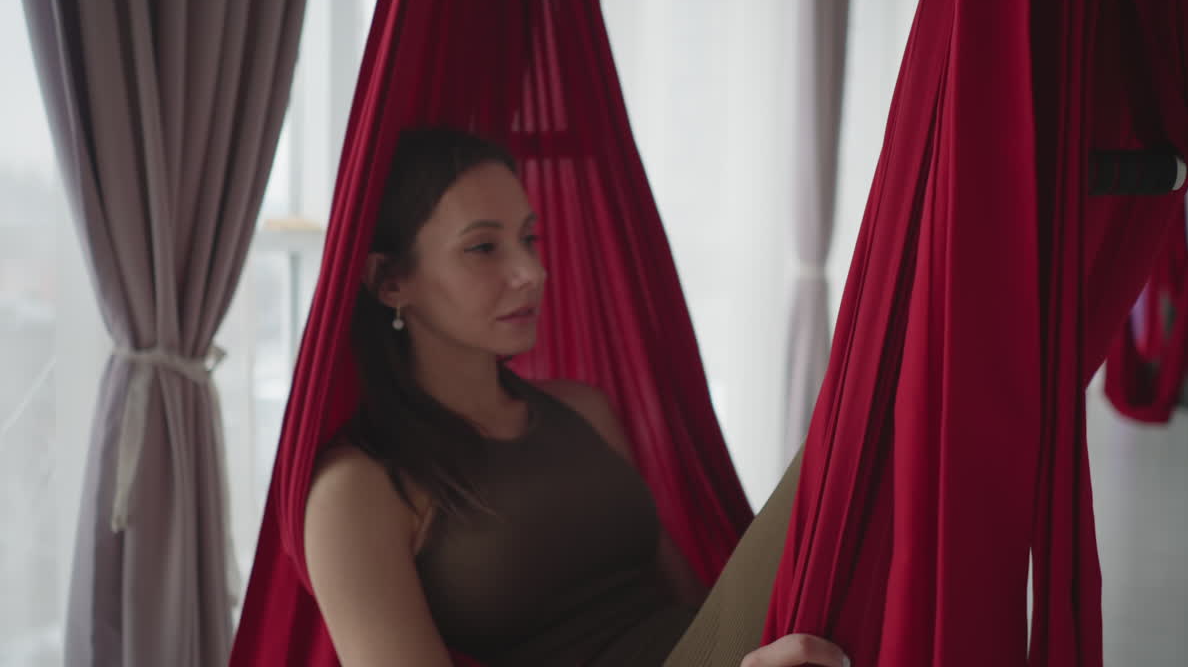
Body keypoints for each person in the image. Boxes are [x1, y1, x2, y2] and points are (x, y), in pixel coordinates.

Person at [304, 127, 849, 667]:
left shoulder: (581, 409)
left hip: (716, 651)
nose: (532, 272)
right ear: (389, 281)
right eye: (483, 248)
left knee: (859, 448)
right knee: (853, 431)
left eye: (529, 239)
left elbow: (696, 607)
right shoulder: (357, 488)